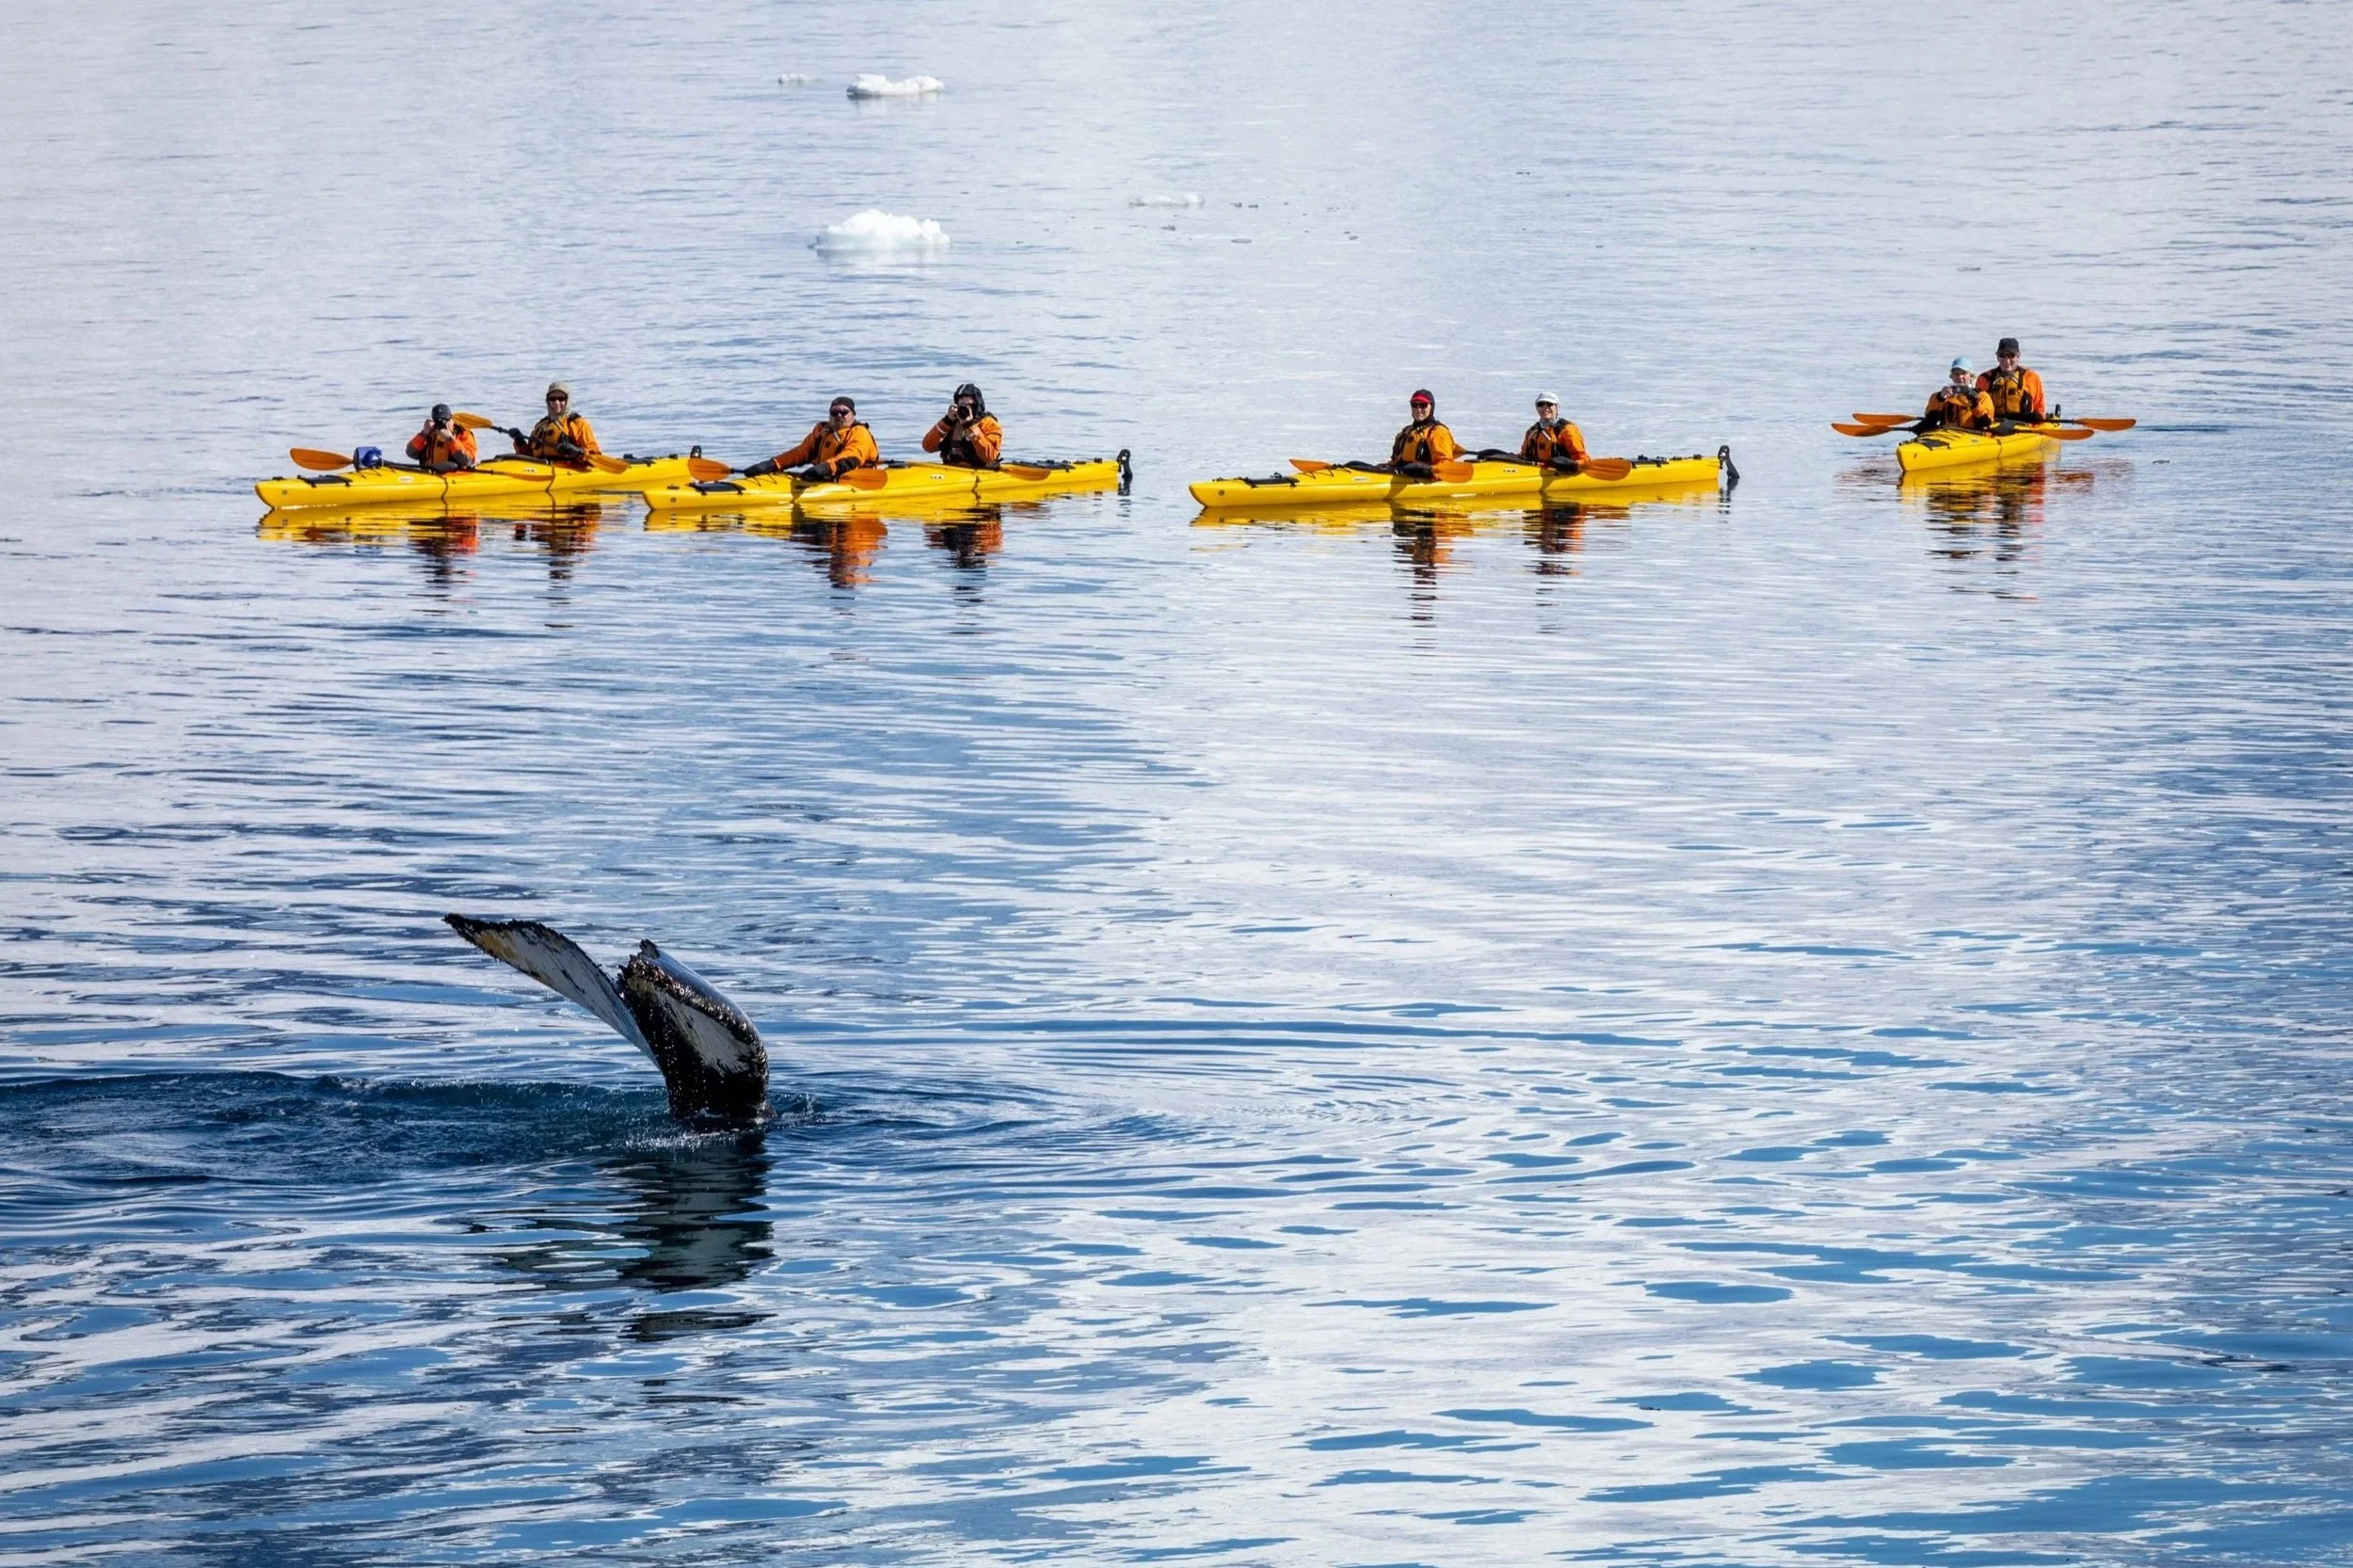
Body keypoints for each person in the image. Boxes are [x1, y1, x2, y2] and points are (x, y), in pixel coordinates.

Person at [743, 396, 880, 480]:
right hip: (824, 476)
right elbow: (802, 452)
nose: (839, 415)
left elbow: (851, 457)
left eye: (844, 412)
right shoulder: (822, 430)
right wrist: (773, 464)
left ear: (853, 415)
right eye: (834, 412)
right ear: (829, 415)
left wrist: (825, 468)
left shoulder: (860, 433)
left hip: (856, 479)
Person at [508, 382, 600, 463]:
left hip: (567, 472)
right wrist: (519, 441)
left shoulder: (578, 424)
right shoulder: (540, 426)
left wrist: (576, 451)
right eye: (552, 399)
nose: (557, 403)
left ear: (567, 400)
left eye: (561, 399)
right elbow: (530, 456)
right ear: (547, 401)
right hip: (541, 470)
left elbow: (595, 455)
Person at [922, 383, 1003, 468]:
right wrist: (947, 421)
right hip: (952, 470)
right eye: (961, 406)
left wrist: (970, 426)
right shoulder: (952, 423)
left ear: (977, 405)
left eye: (969, 406)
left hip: (979, 471)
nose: (965, 410)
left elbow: (989, 456)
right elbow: (927, 446)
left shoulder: (988, 424)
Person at [1976, 338, 2048, 423]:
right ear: (1997, 357)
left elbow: (2040, 407)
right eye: (2002, 355)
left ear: (2018, 356)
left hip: (2024, 425)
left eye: (2011, 355)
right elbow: (1977, 406)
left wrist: (2038, 417)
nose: (2006, 360)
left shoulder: (2031, 377)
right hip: (1993, 423)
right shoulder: (1984, 378)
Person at [1389, 390, 1458, 476]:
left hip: (1424, 481)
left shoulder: (1438, 432)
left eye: (1423, 405)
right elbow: (1395, 462)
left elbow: (1445, 466)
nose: (1418, 409)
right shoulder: (1407, 431)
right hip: (1402, 476)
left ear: (1431, 407)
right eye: (1414, 405)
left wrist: (1428, 470)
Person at [1924, 360, 1996, 431]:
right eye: (1956, 373)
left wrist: (1974, 403)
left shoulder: (1982, 396)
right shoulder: (1943, 396)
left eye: (1964, 373)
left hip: (1972, 436)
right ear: (1952, 376)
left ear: (1971, 376)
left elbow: (1988, 421)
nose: (1960, 376)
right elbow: (1929, 417)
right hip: (1947, 434)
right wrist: (1940, 397)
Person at [1520, 392, 1587, 470]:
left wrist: (1571, 465)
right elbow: (1523, 456)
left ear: (1557, 408)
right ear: (1537, 408)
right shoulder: (1531, 432)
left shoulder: (1568, 430)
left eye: (1549, 404)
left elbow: (1582, 458)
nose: (1545, 407)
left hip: (1561, 474)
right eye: (1541, 404)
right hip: (1536, 473)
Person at [406, 404, 477, 472]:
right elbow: (410, 453)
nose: (440, 424)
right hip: (429, 475)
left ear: (450, 420)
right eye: (437, 421)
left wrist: (451, 440)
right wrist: (423, 434)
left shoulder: (463, 434)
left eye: (443, 421)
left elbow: (467, 461)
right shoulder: (430, 432)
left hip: (454, 476)